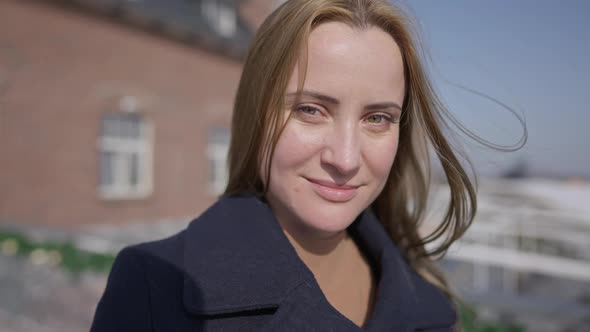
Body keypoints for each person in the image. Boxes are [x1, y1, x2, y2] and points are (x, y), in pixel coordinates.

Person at [90, 0, 476, 331]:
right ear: (256, 116)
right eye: (311, 110)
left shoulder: (431, 305)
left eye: (377, 118)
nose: (344, 159)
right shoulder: (153, 289)